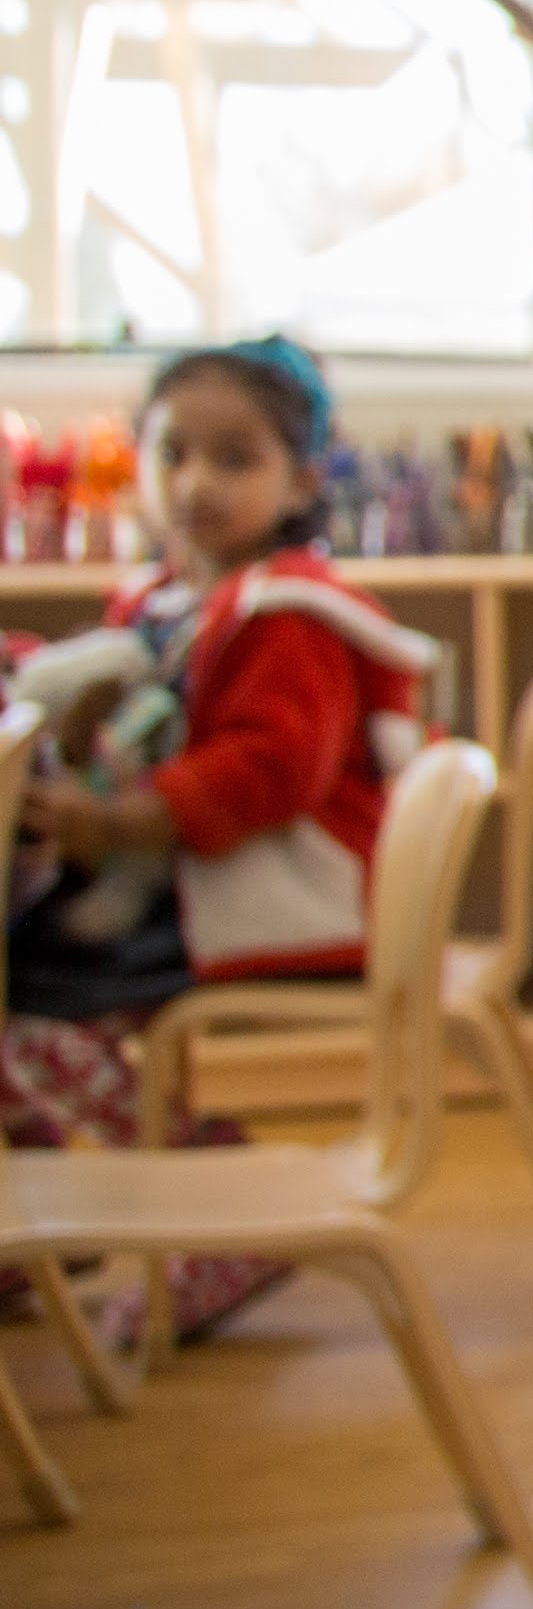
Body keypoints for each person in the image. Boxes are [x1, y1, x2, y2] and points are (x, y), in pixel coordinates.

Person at [3, 337, 439, 1337]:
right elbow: (129, 705)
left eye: (235, 458)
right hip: (198, 883)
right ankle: (46, 1212)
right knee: (22, 968)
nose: (196, 482)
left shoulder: (288, 613)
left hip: (277, 901)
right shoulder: (170, 595)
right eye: (174, 452)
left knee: (35, 1008)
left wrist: (109, 820)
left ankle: (224, 1207)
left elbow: (266, 771)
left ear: (300, 481)